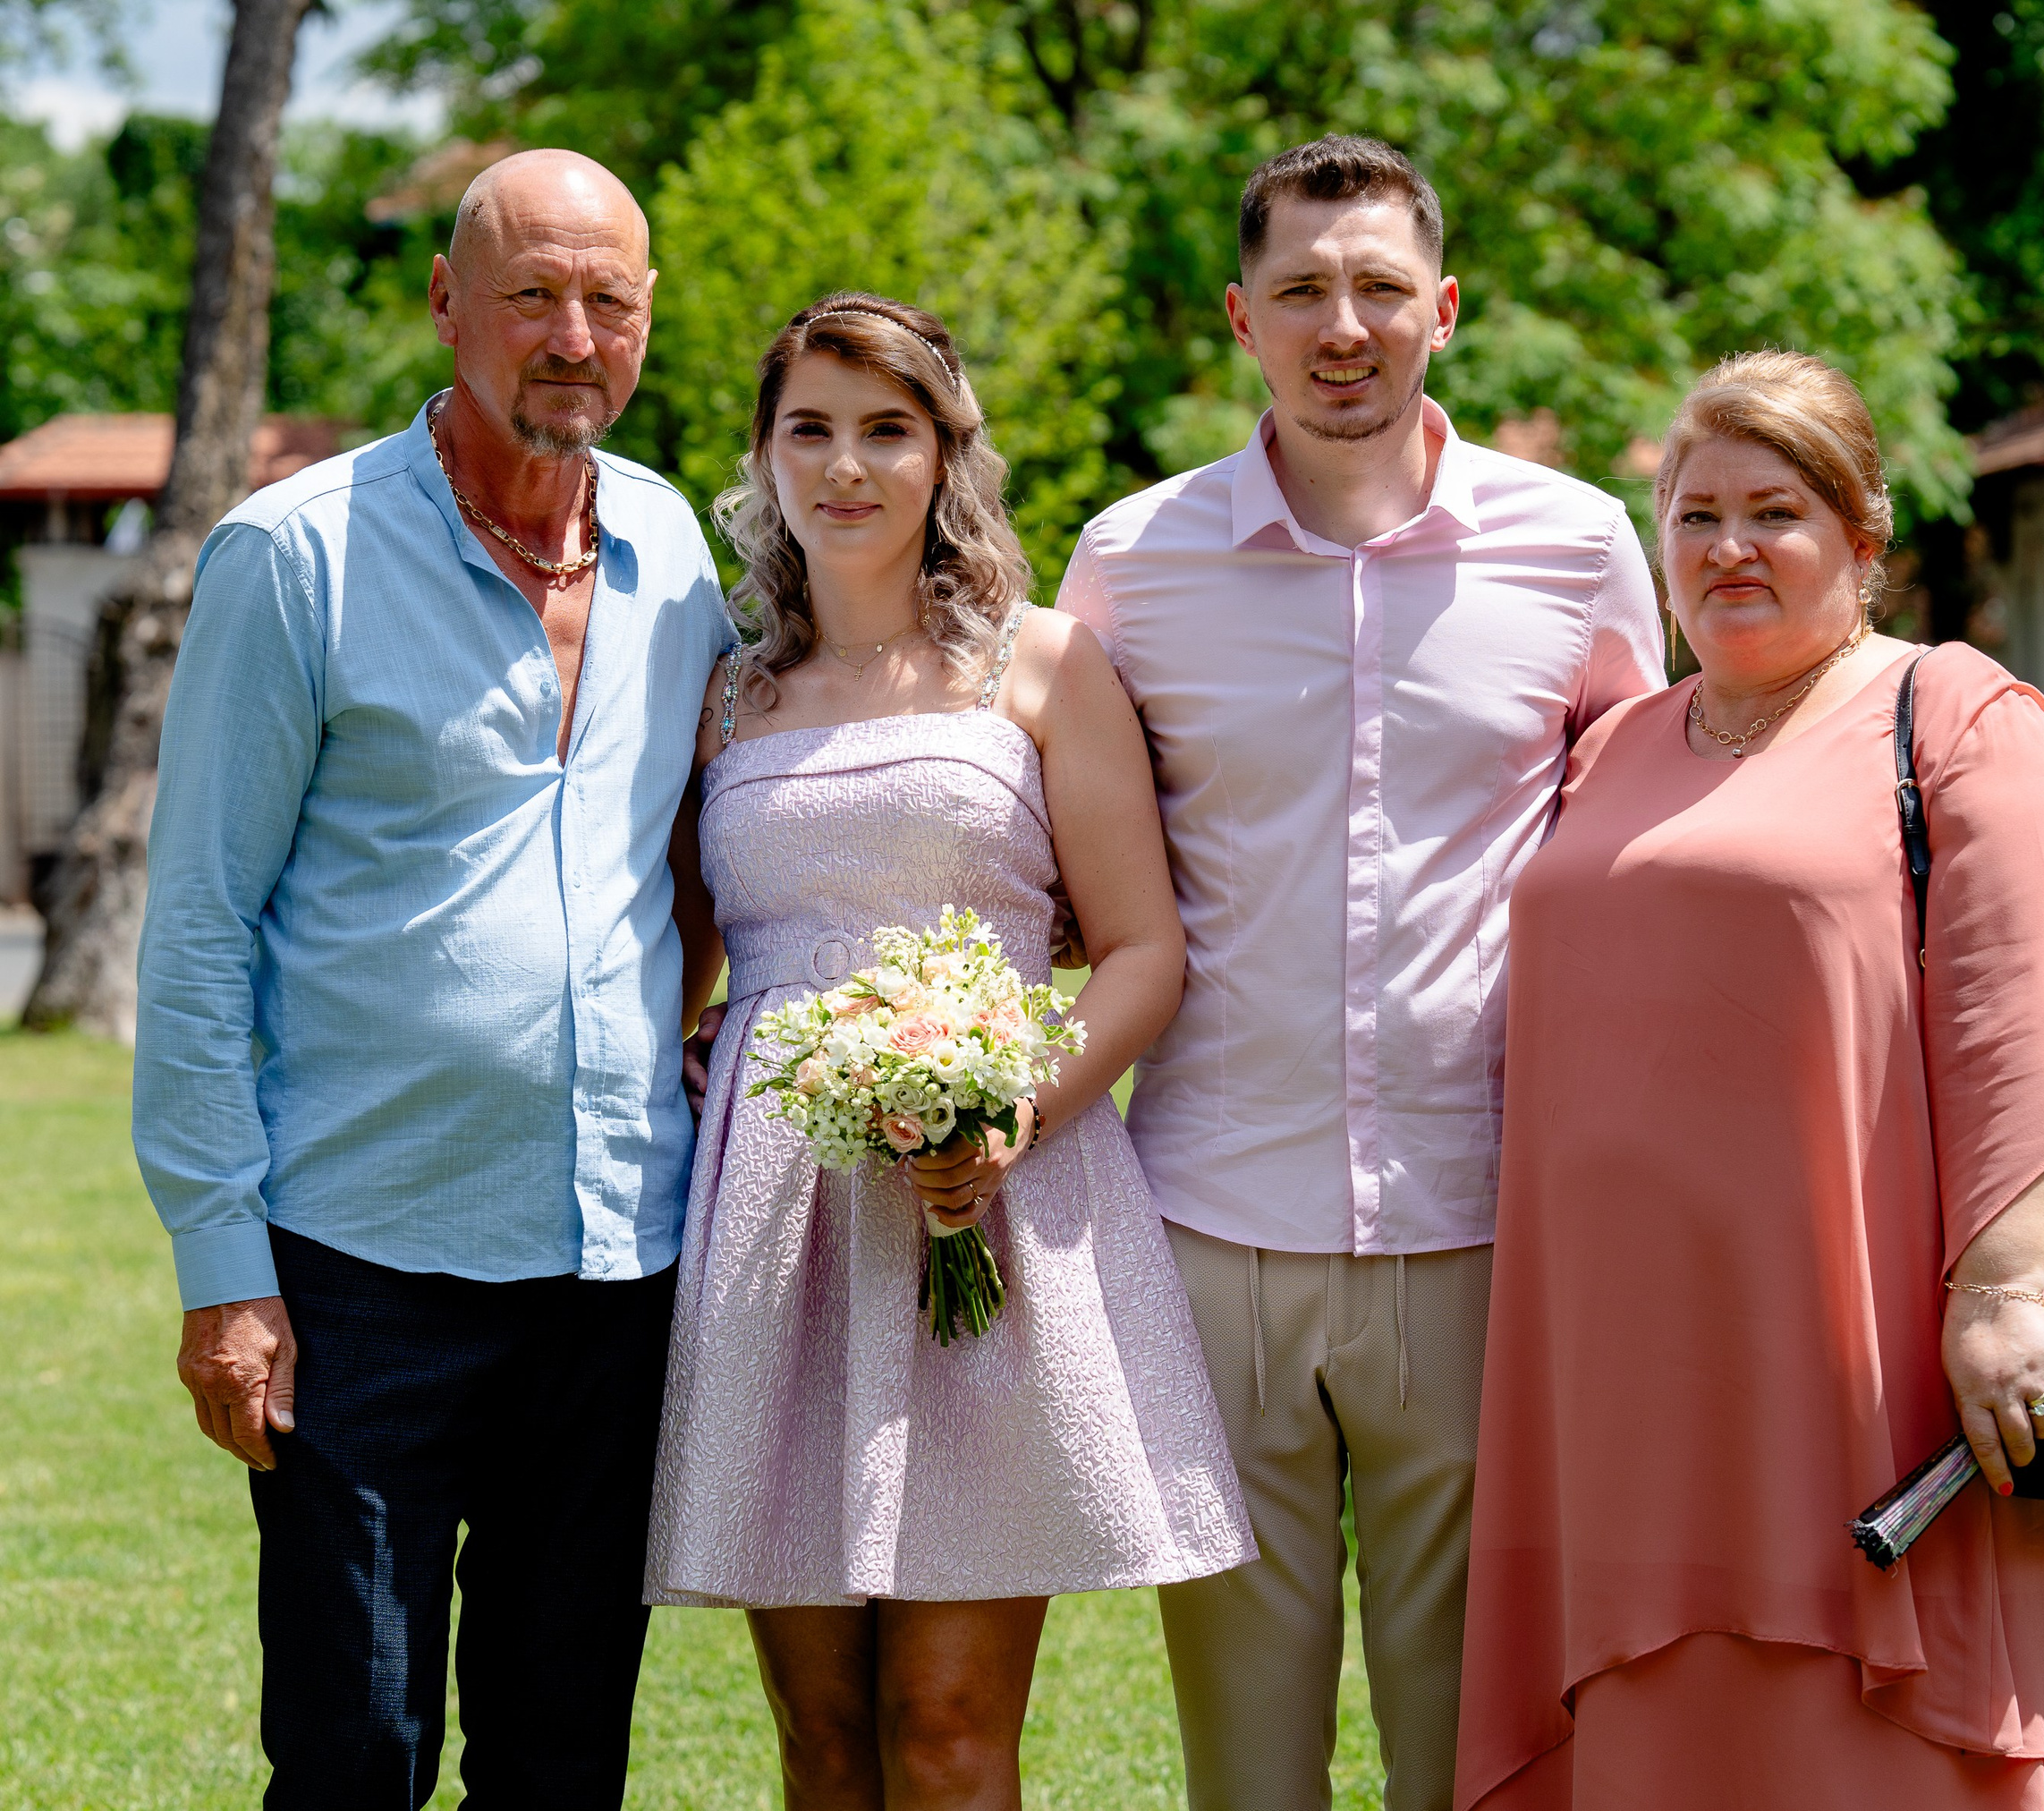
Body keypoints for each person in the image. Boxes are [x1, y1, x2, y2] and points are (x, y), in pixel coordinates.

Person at [1456, 351, 2044, 1808]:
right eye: (1694, 511)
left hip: (1861, 1347)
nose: (1728, 545)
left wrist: (1996, 1298)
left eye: (1773, 510)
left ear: (1863, 535)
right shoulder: (1612, 749)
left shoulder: (1958, 718)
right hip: (1625, 1365)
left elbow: (2024, 1017)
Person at [1056, 137, 1665, 1811]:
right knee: (1244, 1763)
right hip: (1206, 1226)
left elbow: (1649, 873)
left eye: (1381, 287)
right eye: (1306, 290)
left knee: (1470, 1750)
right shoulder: (1128, 563)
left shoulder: (1584, 545)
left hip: (1481, 1228)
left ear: (1443, 310)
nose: (1345, 324)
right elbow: (1072, 880)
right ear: (1240, 316)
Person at [135, 150, 731, 1806]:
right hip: (357, 1264)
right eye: (531, 291)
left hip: (616, 1260)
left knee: (562, 1757)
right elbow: (195, 925)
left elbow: (695, 850)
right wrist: (220, 1266)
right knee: (352, 1750)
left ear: (647, 318)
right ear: (444, 304)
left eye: (607, 297)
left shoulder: (678, 551)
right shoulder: (294, 554)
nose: (570, 332)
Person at [646, 293, 1254, 1811]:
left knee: (946, 1726)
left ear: (943, 454)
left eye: (886, 429)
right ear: (765, 461)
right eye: (812, 429)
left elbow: (1142, 949)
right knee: (824, 1737)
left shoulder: (1037, 667)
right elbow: (674, 947)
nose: (846, 465)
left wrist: (1010, 1111)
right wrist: (699, 1044)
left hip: (988, 1204)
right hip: (775, 1230)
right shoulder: (724, 696)